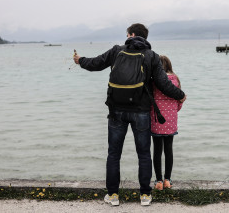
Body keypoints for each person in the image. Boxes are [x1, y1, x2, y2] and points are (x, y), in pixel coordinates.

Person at [73, 23, 186, 206]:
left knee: (114, 154)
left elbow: (96, 64)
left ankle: (113, 195)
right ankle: (145, 195)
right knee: (143, 154)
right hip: (141, 111)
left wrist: (80, 60)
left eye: (127, 34)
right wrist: (181, 95)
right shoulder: (151, 55)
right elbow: (163, 83)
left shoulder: (117, 51)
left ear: (131, 35)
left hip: (116, 110)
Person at [151, 55, 182, 191]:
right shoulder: (176, 79)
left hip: (157, 119)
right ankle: (167, 180)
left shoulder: (153, 80)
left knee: (157, 150)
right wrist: (174, 112)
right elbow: (179, 101)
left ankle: (158, 181)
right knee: (169, 149)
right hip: (171, 120)